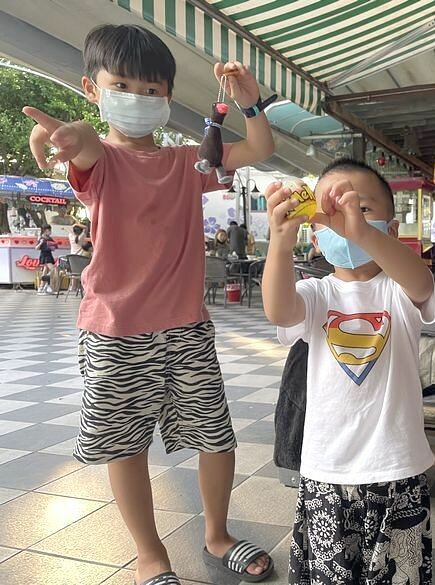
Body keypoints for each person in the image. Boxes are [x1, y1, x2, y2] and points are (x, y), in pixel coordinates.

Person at [24, 24, 276, 585]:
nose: (138, 98)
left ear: (168, 96)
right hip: (115, 330)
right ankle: (149, 553)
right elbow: (85, 144)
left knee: (217, 436)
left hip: (187, 327)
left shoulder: (189, 161)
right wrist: (71, 135)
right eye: (122, 86)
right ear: (92, 88)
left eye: (152, 89)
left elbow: (261, 149)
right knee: (125, 445)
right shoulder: (99, 163)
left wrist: (250, 102)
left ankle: (217, 534)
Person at [263, 159, 435, 585]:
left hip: (397, 467)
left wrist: (362, 233)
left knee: (401, 574)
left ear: (390, 230)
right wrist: (280, 243)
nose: (345, 218)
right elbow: (279, 310)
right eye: (333, 210)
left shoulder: (398, 292)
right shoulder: (317, 293)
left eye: (361, 207)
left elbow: (421, 283)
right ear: (316, 237)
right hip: (328, 469)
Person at [35, 224, 57, 295]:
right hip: (45, 255)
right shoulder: (41, 238)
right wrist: (41, 243)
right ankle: (48, 284)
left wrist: (53, 247)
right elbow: (36, 248)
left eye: (50, 230)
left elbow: (54, 246)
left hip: (49, 255)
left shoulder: (50, 238)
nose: (50, 232)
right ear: (44, 231)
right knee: (53, 269)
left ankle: (41, 287)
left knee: (45, 271)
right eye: (49, 230)